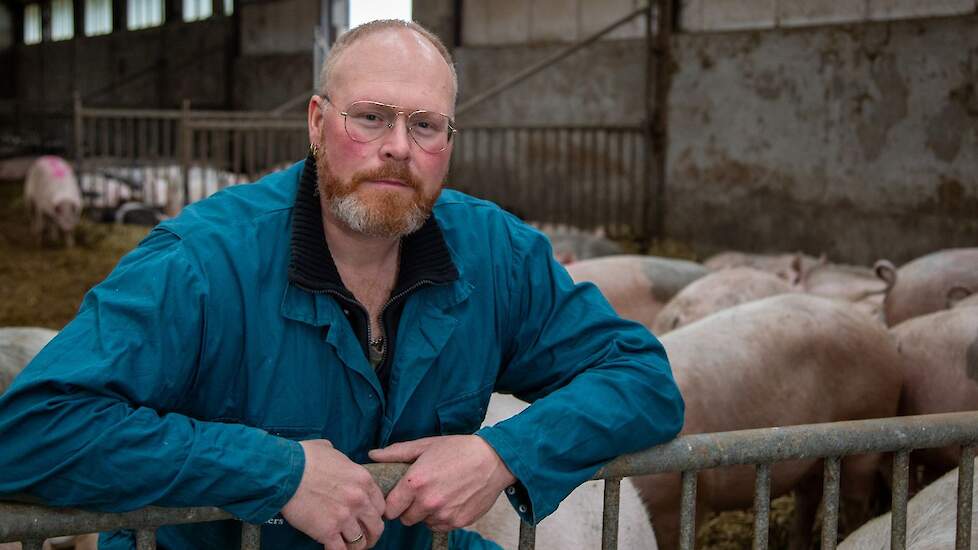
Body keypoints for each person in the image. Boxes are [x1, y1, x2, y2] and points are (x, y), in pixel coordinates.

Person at [0, 19, 684, 550]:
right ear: (318, 123)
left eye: (425, 125)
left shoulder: (495, 254)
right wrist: (271, 471)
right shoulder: (201, 263)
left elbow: (642, 379)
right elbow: (33, 429)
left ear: (449, 139)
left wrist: (501, 452)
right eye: (371, 117)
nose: (398, 147)